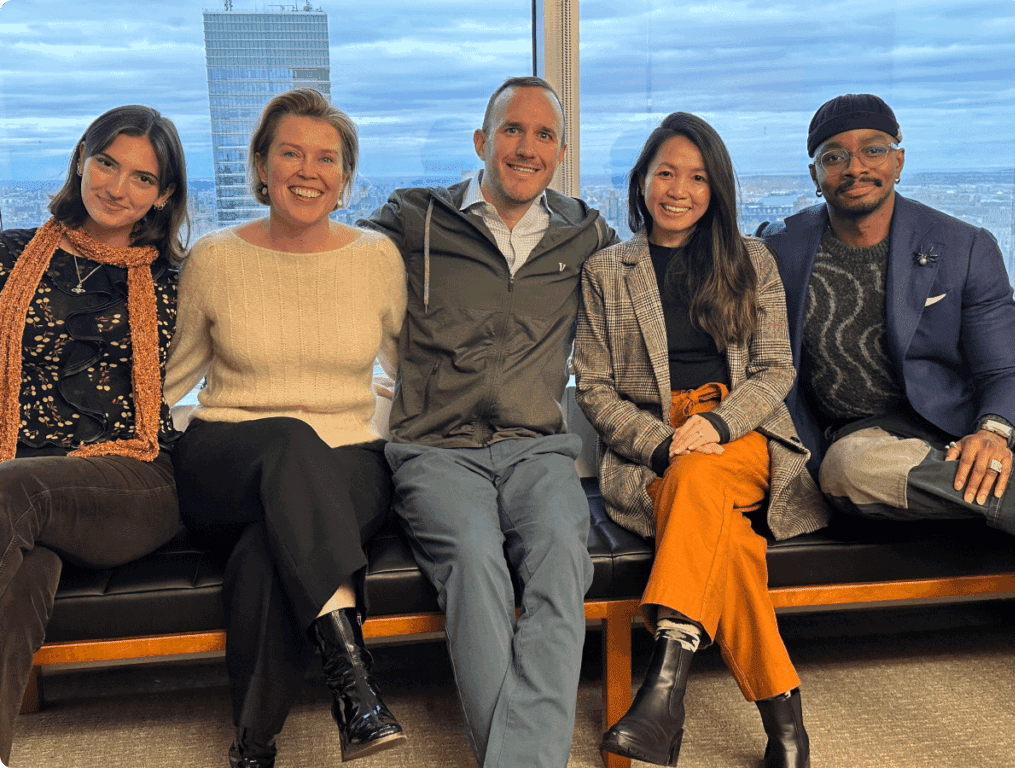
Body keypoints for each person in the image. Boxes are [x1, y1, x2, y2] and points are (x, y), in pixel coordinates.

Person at [357, 76, 616, 768]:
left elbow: (651, 286)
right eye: (512, 130)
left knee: (564, 561)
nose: (526, 147)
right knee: (474, 565)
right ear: (482, 140)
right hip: (434, 449)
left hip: (536, 448)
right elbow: (334, 268)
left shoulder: (586, 233)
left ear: (560, 153)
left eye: (543, 136)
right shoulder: (417, 219)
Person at [573, 112, 830, 768]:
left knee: (703, 476)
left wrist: (713, 426)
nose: (679, 189)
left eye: (696, 176)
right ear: (642, 180)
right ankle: (786, 729)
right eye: (666, 173)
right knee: (724, 533)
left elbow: (775, 369)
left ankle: (663, 698)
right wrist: (662, 443)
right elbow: (597, 390)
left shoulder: (751, 262)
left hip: (738, 431)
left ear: (716, 189)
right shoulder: (607, 271)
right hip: (651, 447)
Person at [164, 88, 407, 768]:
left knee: (266, 554)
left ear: (346, 178)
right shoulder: (215, 258)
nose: (308, 169)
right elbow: (174, 371)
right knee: (288, 438)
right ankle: (353, 681)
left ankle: (254, 747)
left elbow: (413, 367)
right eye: (291, 153)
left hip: (346, 462)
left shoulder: (376, 259)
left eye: (326, 158)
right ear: (261, 166)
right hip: (226, 455)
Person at [0, 105, 188, 765]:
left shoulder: (177, 277)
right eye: (107, 162)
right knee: (25, 577)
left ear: (164, 195)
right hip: (22, 482)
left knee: (6, 493)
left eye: (143, 178)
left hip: (133, 482)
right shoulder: (10, 254)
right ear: (83, 157)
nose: (117, 186)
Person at [759, 94, 1015, 536]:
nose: (855, 167)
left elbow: (1008, 368)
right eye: (834, 156)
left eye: (874, 149)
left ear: (898, 162)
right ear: (815, 175)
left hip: (953, 432)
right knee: (848, 470)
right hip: (860, 445)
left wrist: (993, 433)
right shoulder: (779, 247)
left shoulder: (964, 246)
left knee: (855, 476)